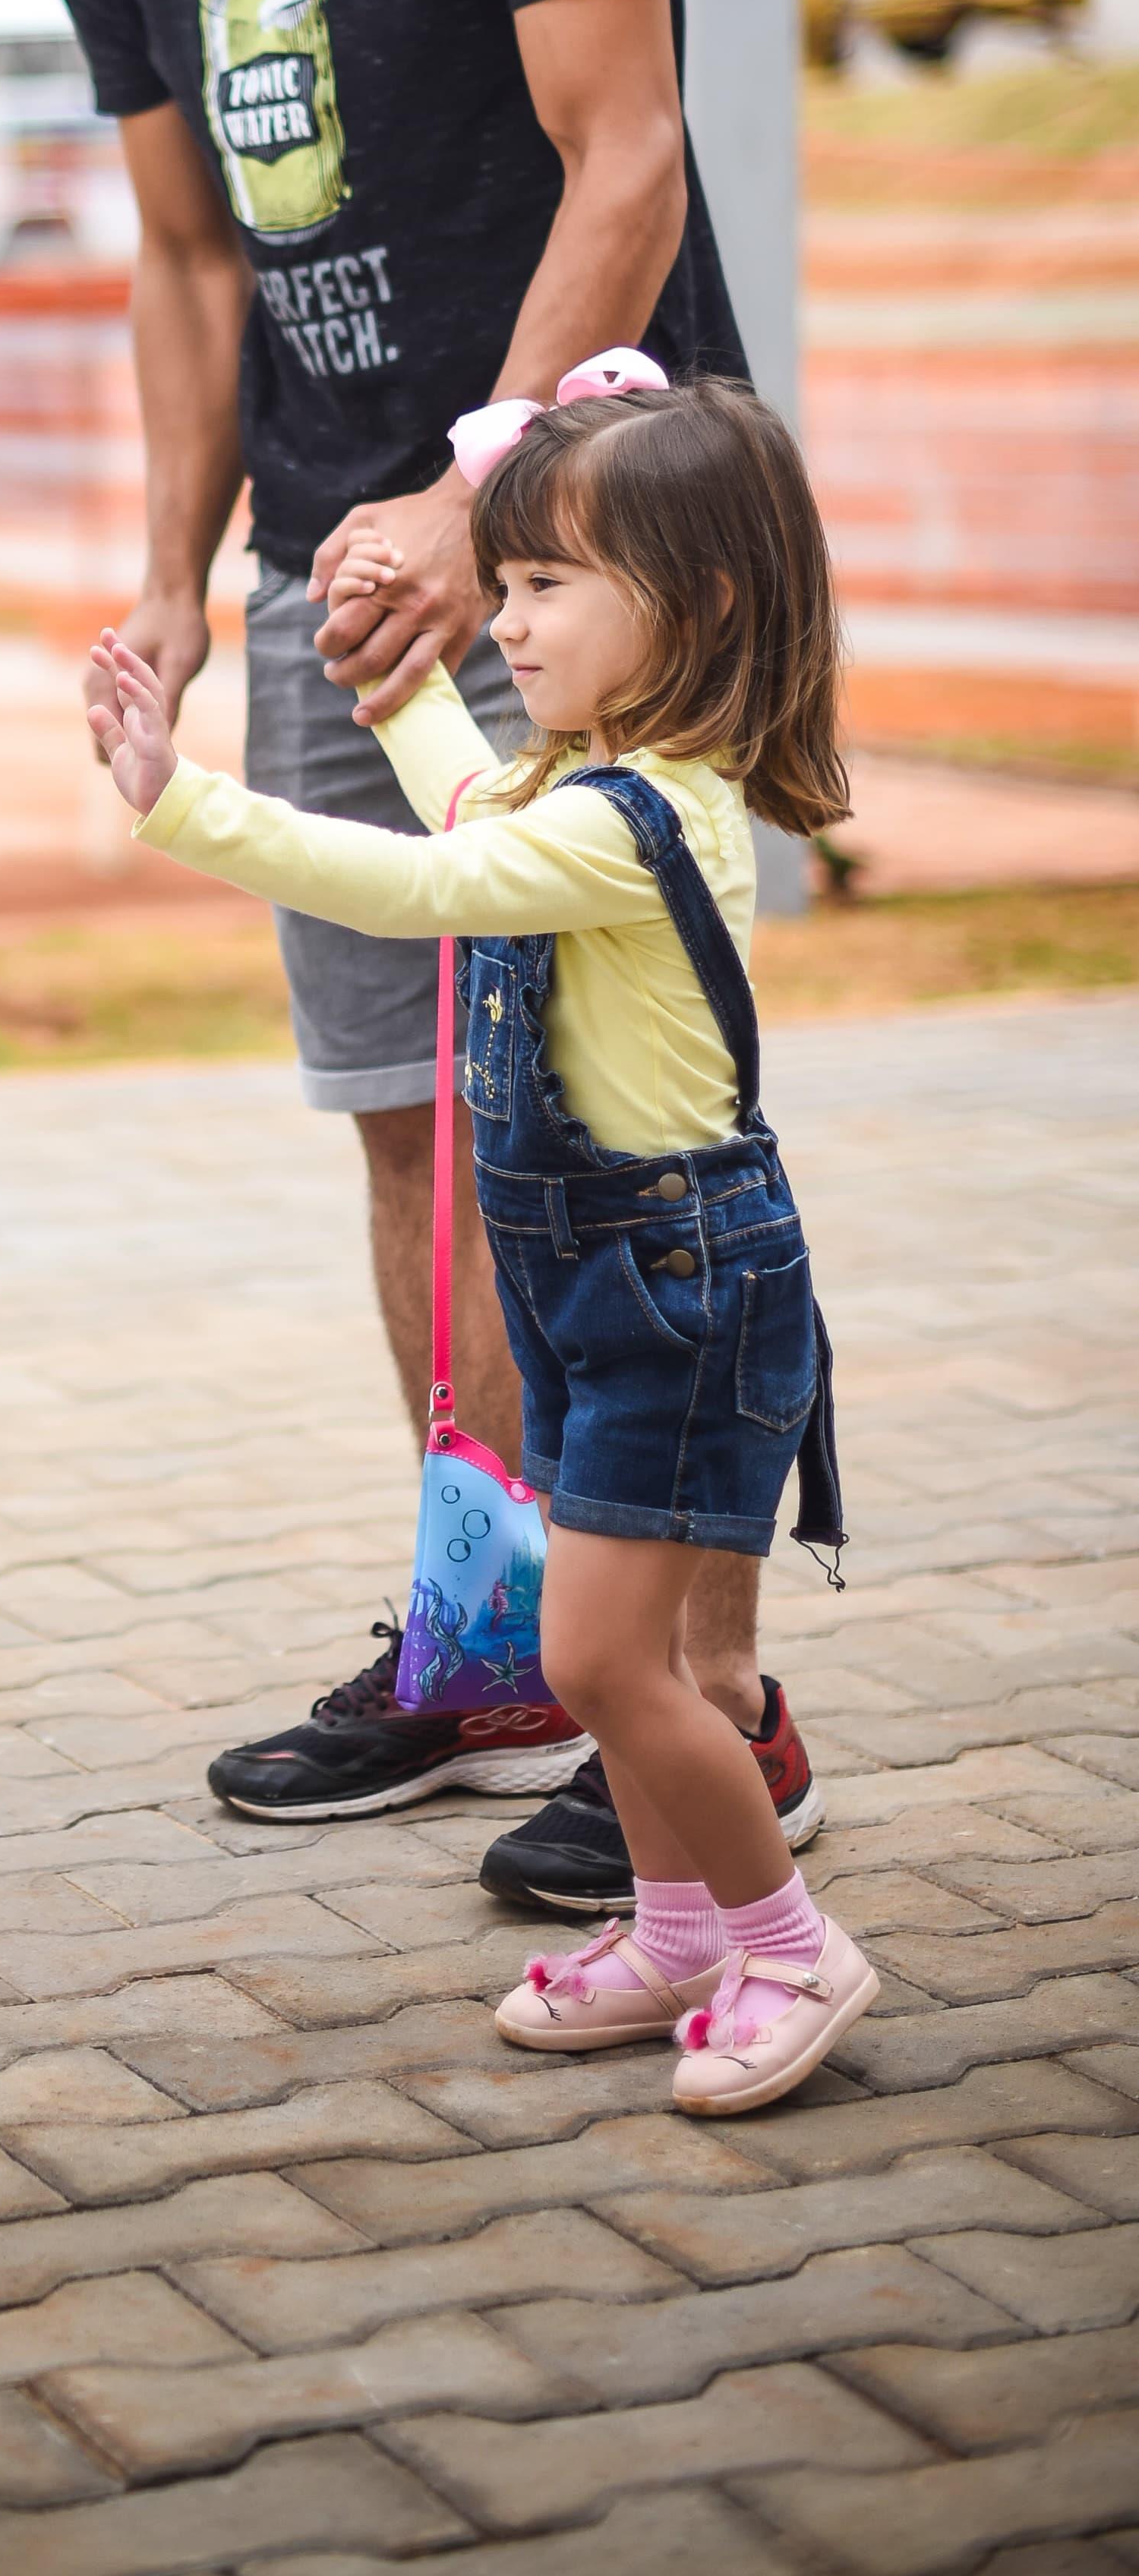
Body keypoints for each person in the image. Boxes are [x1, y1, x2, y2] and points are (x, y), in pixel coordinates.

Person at [0, 0, 820, 1912]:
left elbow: (624, 160)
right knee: (404, 1116)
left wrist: (480, 490)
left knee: (628, 1122)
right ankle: (489, 1638)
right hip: (320, 565)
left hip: (591, 556)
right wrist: (159, 578)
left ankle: (712, 1710)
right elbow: (184, 258)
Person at [89, 370, 872, 2113]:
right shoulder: (588, 784)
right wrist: (403, 678)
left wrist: (177, 799)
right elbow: (462, 817)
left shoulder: (633, 817)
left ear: (700, 604)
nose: (507, 618)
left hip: (680, 1294)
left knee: (605, 1659)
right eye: (501, 585)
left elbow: (422, 886)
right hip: (616, 1293)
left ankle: (786, 1943)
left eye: (542, 589)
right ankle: (674, 1927)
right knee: (609, 1654)